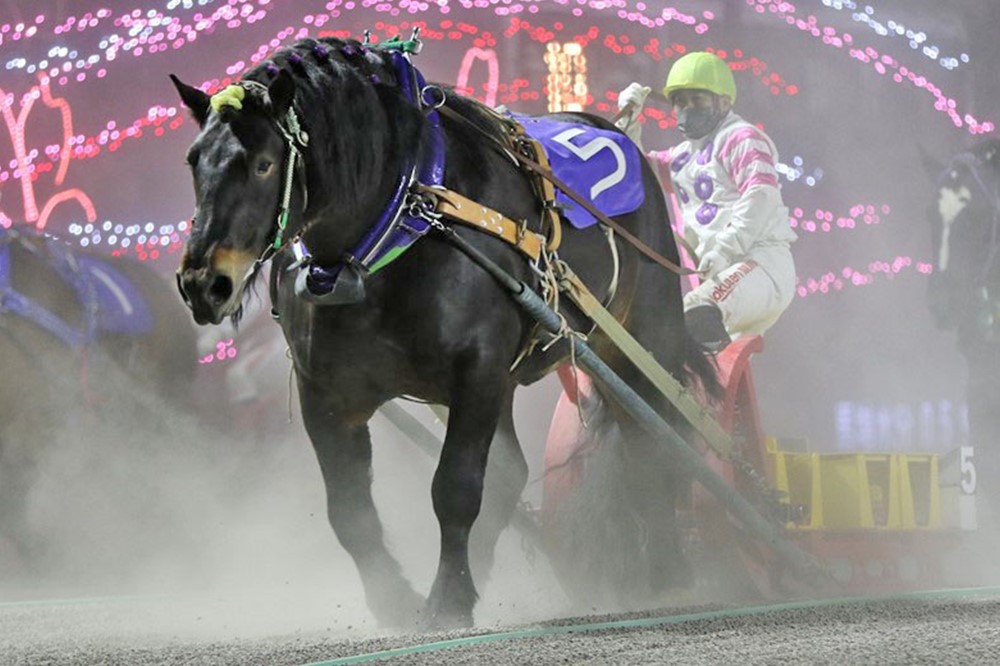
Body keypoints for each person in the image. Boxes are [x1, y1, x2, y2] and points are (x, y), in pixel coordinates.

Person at [615, 51, 797, 349]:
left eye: (697, 100)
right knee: (664, 332)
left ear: (724, 102)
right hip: (723, 279)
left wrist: (725, 249)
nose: (686, 109)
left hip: (760, 264)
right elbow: (636, 173)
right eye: (679, 102)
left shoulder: (741, 137)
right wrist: (629, 123)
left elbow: (761, 196)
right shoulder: (683, 156)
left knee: (693, 314)